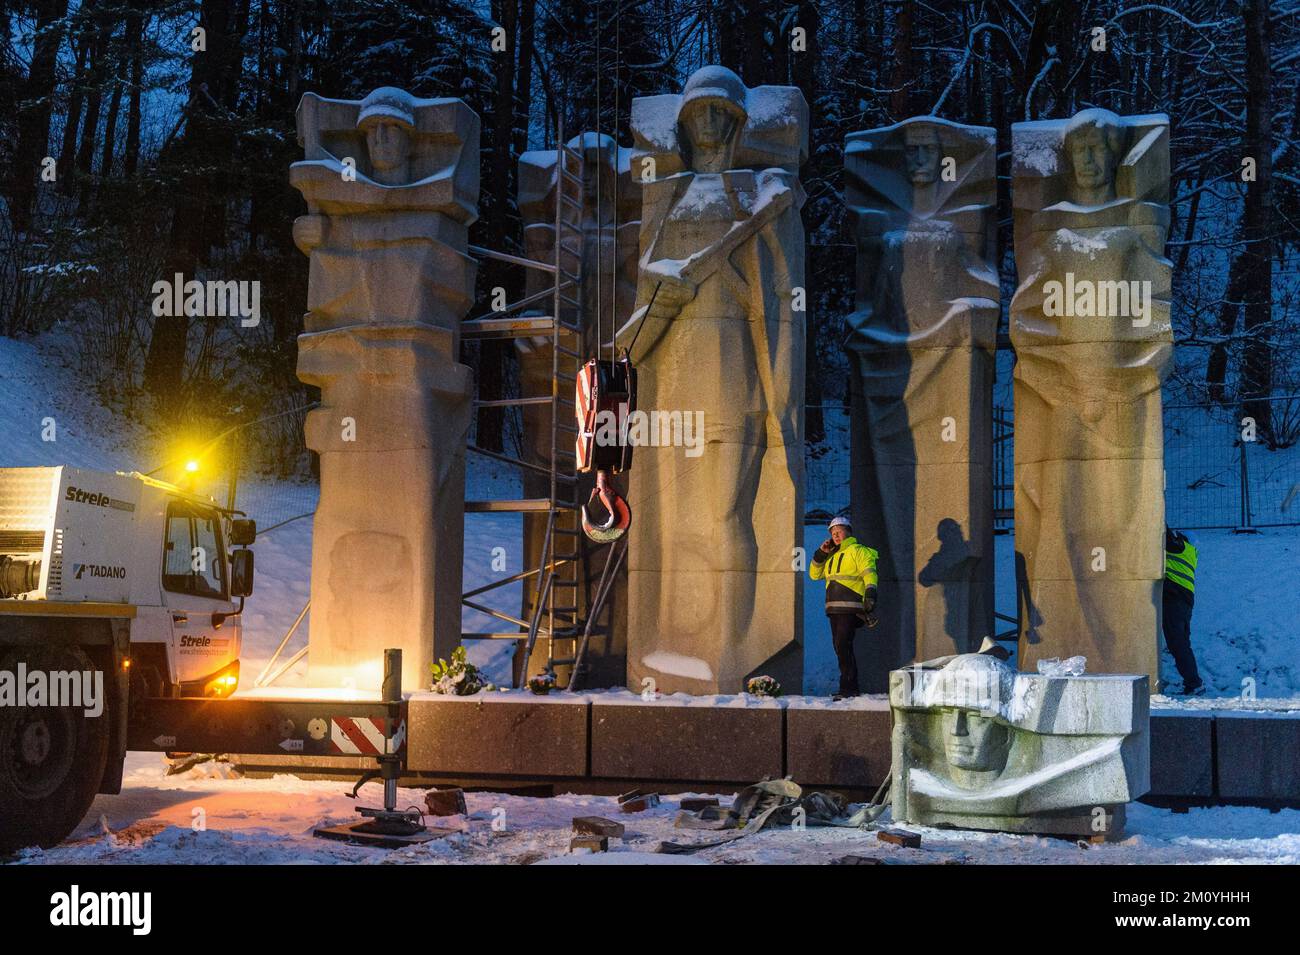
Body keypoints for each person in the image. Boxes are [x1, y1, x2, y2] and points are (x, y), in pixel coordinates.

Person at [809, 516, 879, 700]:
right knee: (840, 647)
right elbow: (814, 574)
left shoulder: (858, 551)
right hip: (834, 609)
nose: (836, 535)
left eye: (839, 531)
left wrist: (870, 594)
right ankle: (848, 688)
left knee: (842, 645)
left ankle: (849, 688)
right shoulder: (831, 554)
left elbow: (869, 573)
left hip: (851, 607)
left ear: (848, 531)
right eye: (833, 533)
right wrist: (821, 554)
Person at [1162, 525, 1203, 695]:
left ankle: (1194, 683)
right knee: (1182, 645)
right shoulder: (1191, 554)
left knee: (1178, 645)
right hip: (1184, 605)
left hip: (1174, 602)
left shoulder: (1181, 548)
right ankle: (1194, 682)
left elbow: (1165, 534)